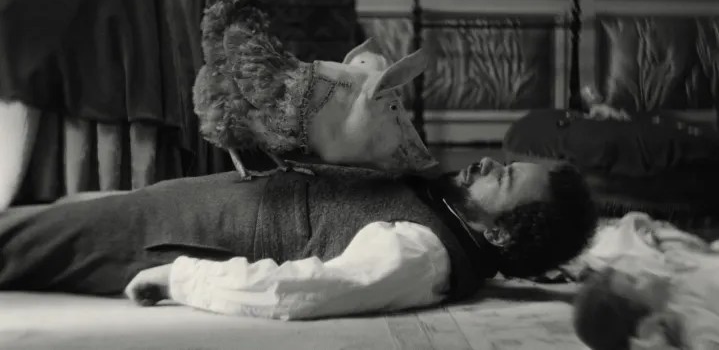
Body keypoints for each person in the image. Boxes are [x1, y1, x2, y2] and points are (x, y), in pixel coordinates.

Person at [0, 158, 597, 320]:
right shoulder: (441, 205)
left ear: (499, 231)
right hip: (188, 207)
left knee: (15, 243)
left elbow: (304, 291)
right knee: (36, 223)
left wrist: (179, 278)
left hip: (181, 238)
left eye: (504, 177)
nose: (488, 162)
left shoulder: (423, 253)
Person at [573, 213, 719, 350]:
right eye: (634, 281)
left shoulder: (674, 269)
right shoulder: (691, 322)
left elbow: (684, 249)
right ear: (647, 322)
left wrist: (651, 229)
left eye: (631, 273)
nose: (642, 272)